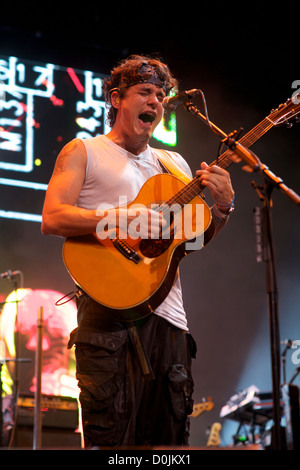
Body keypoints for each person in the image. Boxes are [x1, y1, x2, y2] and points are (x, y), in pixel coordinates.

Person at [41, 55, 235, 448]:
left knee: (169, 445)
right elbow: (53, 218)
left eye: (161, 96)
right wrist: (121, 218)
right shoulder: (84, 150)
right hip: (107, 315)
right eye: (144, 92)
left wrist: (224, 208)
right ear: (116, 99)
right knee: (111, 442)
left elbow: (190, 242)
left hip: (169, 320)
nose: (155, 102)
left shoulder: (174, 164)